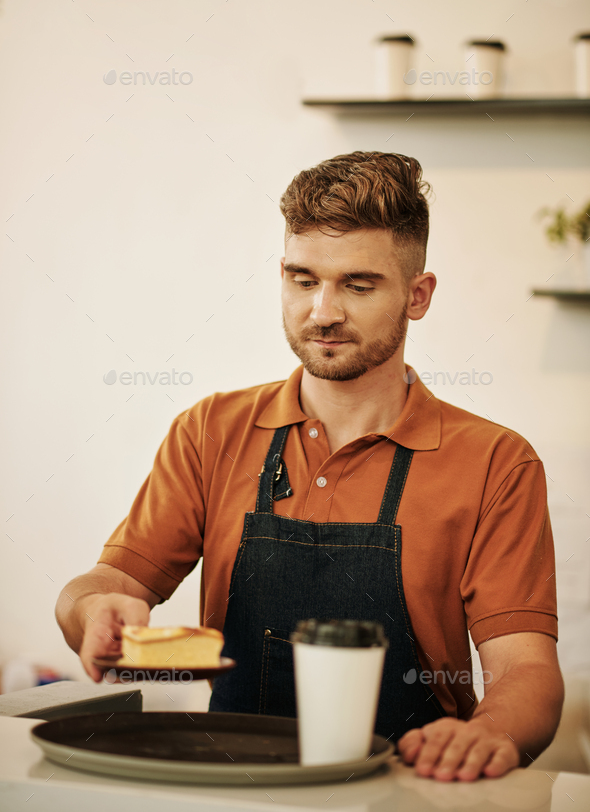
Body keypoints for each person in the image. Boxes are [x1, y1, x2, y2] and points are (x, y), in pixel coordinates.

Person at [56, 151, 564, 781]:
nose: (323, 311)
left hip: (413, 792)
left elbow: (527, 672)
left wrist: (490, 734)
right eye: (303, 280)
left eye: (358, 284)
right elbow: (102, 587)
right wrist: (95, 613)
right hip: (237, 786)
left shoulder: (495, 462)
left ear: (418, 295)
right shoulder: (211, 431)